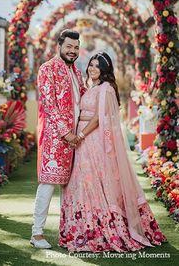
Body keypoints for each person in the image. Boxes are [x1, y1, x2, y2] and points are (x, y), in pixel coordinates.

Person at [59, 52, 167, 253]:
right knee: (82, 183)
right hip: (82, 142)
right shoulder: (92, 87)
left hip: (92, 140)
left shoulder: (106, 88)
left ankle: (102, 229)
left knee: (94, 182)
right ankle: (82, 230)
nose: (92, 69)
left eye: (97, 66)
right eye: (91, 65)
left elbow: (99, 118)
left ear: (104, 69)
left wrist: (80, 135)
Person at [30, 29, 86, 249]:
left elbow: (84, 99)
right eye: (69, 47)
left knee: (71, 187)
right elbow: (50, 107)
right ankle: (36, 234)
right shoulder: (47, 69)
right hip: (55, 139)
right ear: (59, 46)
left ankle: (69, 232)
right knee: (48, 184)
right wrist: (67, 134)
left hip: (76, 140)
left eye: (76, 47)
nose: (72, 51)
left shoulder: (77, 72)